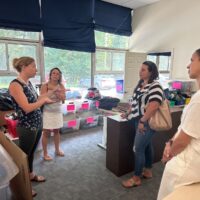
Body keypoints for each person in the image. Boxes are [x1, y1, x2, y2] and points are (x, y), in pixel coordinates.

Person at [157, 49, 200, 200]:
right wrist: (170, 142)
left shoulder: (199, 99)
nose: (188, 65)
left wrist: (168, 154)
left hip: (185, 167)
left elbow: (183, 140)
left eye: (192, 60)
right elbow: (185, 128)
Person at [9, 56, 54, 197]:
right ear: (23, 67)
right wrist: (44, 101)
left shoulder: (28, 83)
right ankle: (24, 186)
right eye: (33, 66)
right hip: (27, 126)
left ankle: (30, 175)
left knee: (31, 152)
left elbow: (36, 100)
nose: (36, 69)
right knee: (23, 157)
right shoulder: (15, 85)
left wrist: (49, 94)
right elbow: (27, 108)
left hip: (36, 123)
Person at [121, 61, 164, 187]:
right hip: (138, 119)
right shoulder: (141, 84)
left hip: (146, 121)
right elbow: (135, 102)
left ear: (151, 72)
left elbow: (154, 105)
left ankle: (136, 178)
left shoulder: (155, 85)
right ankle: (148, 171)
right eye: (140, 69)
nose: (140, 72)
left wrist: (142, 121)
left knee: (138, 148)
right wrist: (128, 112)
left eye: (143, 70)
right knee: (146, 145)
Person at [40, 67, 66, 161]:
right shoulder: (45, 86)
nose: (55, 75)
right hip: (48, 112)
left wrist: (59, 95)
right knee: (46, 133)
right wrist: (52, 95)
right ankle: (45, 153)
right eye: (53, 73)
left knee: (56, 131)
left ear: (59, 76)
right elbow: (42, 100)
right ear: (50, 75)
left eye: (57, 74)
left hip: (57, 112)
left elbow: (63, 100)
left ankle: (57, 150)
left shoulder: (61, 86)